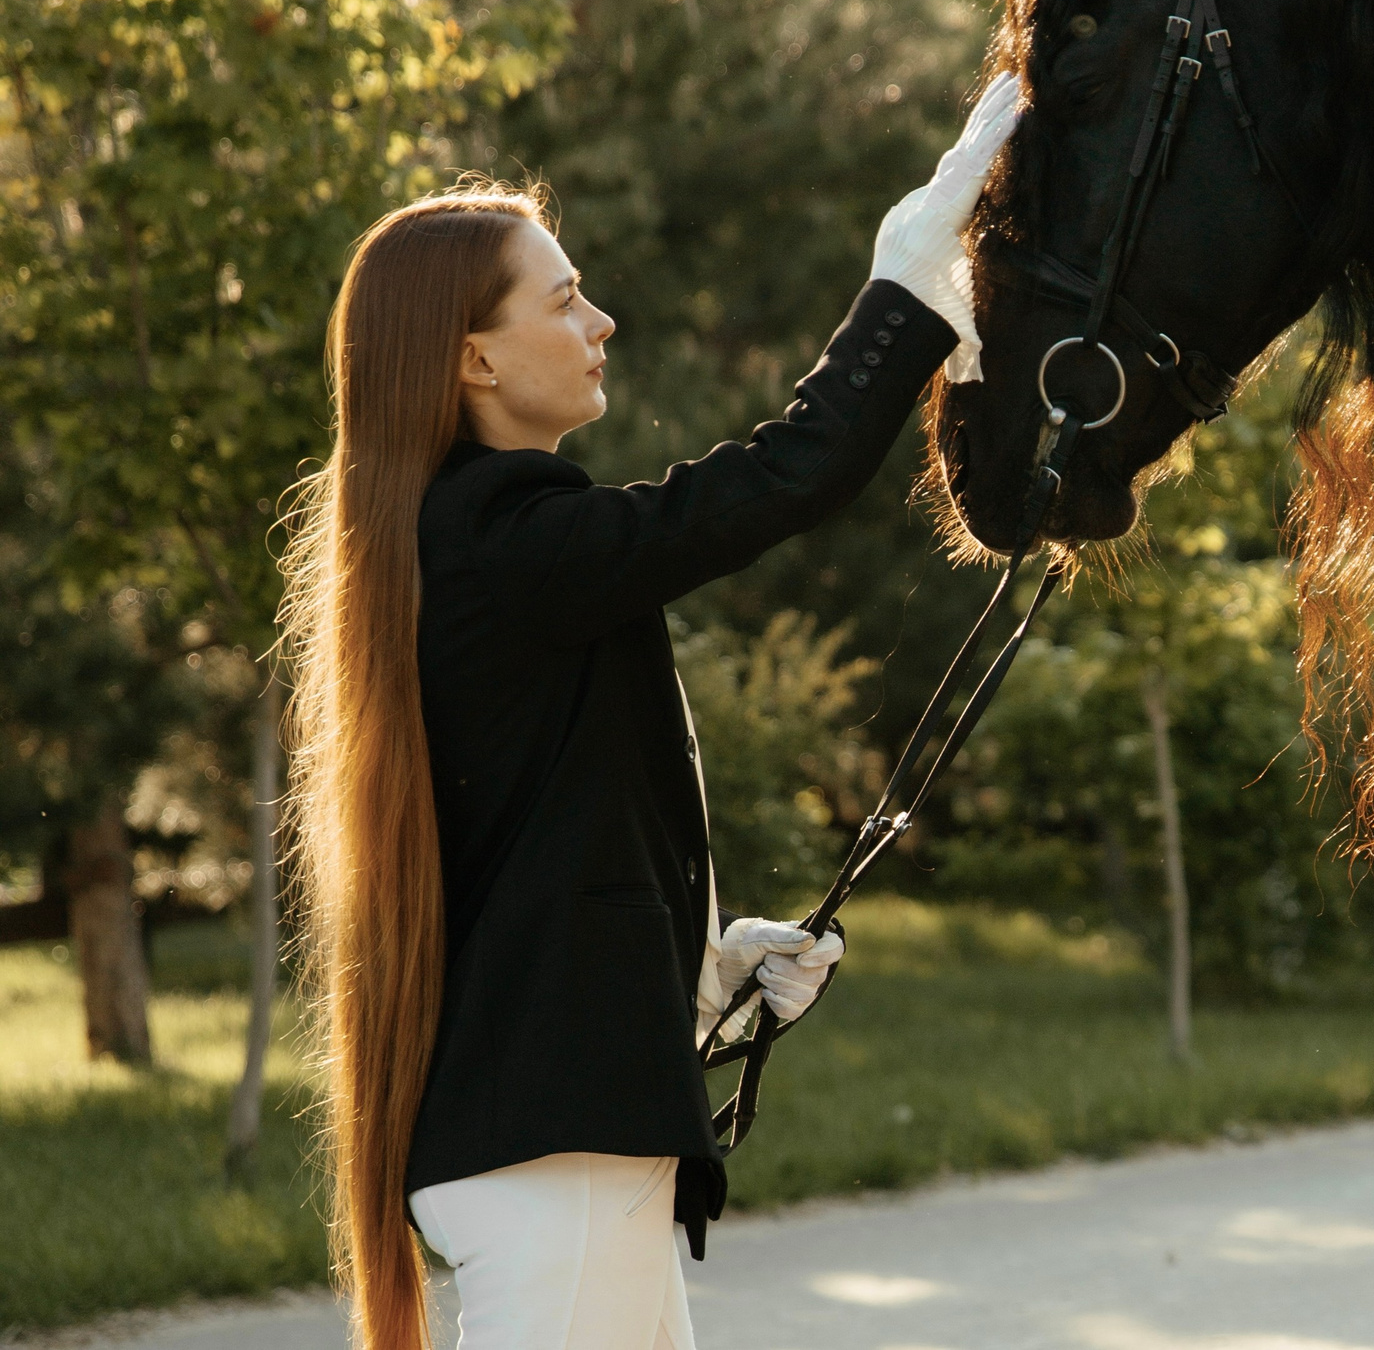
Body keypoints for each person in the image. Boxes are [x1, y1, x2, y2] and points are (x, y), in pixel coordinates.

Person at [279, 75, 1023, 1350]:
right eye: (565, 298)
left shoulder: (474, 544)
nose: (603, 321)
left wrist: (691, 979)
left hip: (555, 1148)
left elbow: (516, 861)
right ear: (473, 355)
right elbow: (775, 479)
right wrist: (904, 283)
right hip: (550, 1160)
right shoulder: (500, 537)